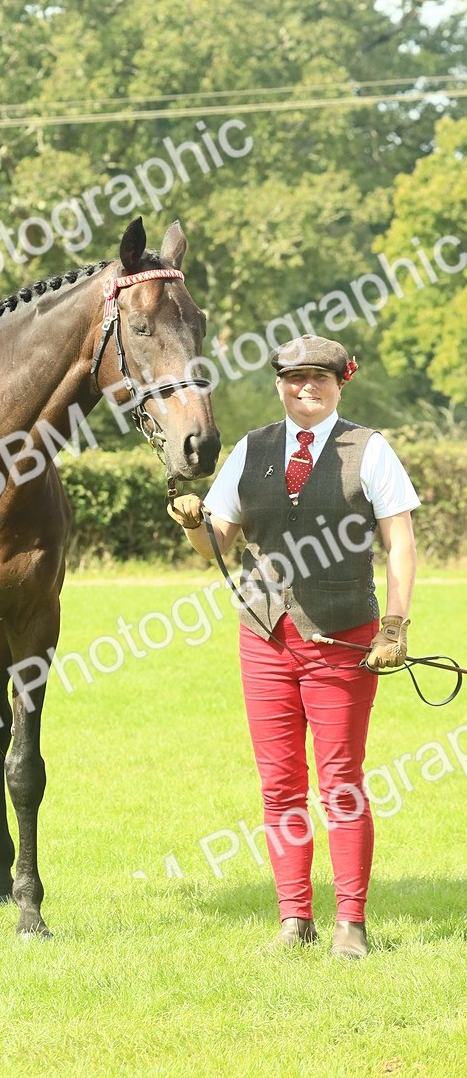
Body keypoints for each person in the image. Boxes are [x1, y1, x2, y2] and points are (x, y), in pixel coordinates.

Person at [168, 335, 419, 959]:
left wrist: (395, 623)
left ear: (341, 382)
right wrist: (198, 522)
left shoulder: (371, 448)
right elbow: (217, 547)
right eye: (292, 377)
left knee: (341, 783)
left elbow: (401, 542)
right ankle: (294, 919)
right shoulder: (250, 450)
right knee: (279, 785)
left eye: (319, 378)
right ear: (278, 381)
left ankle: (351, 924)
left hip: (343, 638)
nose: (304, 388)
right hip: (264, 638)